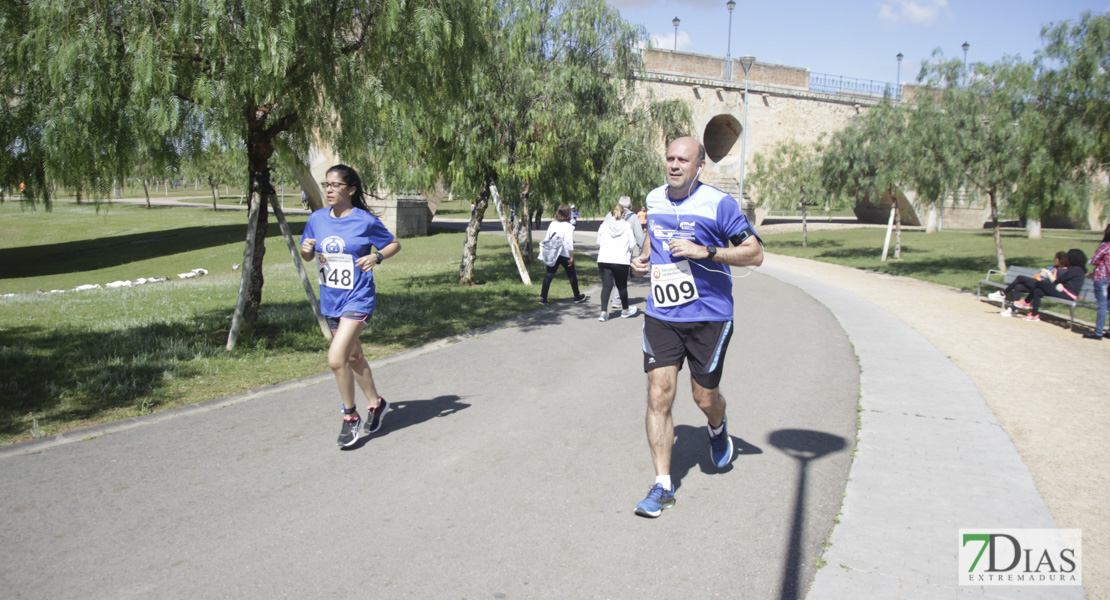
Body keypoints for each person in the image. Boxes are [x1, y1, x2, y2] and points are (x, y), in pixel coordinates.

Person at [629, 136, 763, 518]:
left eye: (683, 160)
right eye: (669, 158)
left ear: (699, 166)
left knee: (704, 398)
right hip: (663, 314)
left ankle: (717, 428)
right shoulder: (654, 199)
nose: (674, 165)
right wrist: (641, 259)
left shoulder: (719, 204)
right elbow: (654, 240)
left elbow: (756, 253)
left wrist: (708, 252)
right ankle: (662, 486)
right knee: (659, 395)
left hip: (709, 316)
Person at [300, 164, 402, 448]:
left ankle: (350, 416)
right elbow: (308, 255)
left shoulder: (364, 221)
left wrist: (377, 257)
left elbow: (394, 244)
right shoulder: (317, 219)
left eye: (335, 185)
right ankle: (376, 403)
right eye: (326, 185)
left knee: (336, 359)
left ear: (351, 189)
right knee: (354, 356)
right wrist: (306, 251)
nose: (329, 190)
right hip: (331, 300)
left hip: (358, 297)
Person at [990, 250, 1087, 321]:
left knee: (1040, 284)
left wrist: (1049, 275)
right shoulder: (1078, 269)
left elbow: (1058, 281)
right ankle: (1034, 315)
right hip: (1065, 291)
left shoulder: (1075, 270)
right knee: (1038, 290)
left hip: (1068, 294)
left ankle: (1025, 301)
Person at [538, 204, 587, 305]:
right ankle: (576, 295)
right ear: (568, 214)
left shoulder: (552, 224)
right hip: (564, 253)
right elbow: (569, 242)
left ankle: (543, 297)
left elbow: (547, 238)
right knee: (571, 275)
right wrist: (572, 256)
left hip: (553, 253)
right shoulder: (569, 227)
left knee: (549, 274)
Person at [596, 204, 638, 322]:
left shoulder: (604, 225)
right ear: (623, 214)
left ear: (611, 213)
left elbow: (599, 241)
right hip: (621, 260)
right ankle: (625, 310)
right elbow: (632, 244)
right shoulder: (627, 226)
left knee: (606, 286)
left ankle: (603, 313)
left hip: (604, 259)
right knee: (621, 286)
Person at [607, 196, 646, 309]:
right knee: (621, 275)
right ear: (630, 206)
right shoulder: (633, 217)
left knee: (613, 275)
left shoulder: (609, 215)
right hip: (624, 250)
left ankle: (615, 299)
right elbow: (639, 235)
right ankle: (617, 299)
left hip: (609, 250)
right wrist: (642, 250)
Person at [1084, 226, 1110, 340]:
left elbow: (1093, 261)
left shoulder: (1105, 246)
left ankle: (1098, 332)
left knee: (1102, 306)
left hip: (1102, 279)